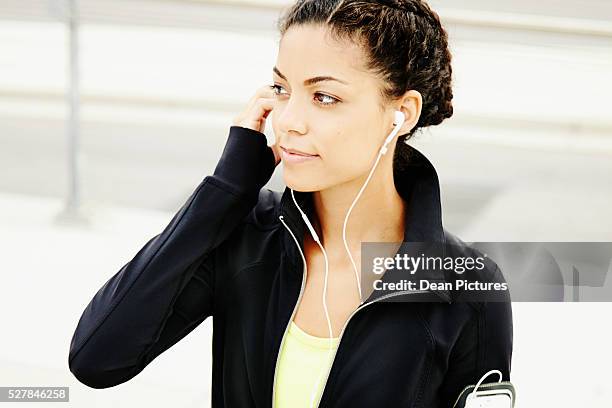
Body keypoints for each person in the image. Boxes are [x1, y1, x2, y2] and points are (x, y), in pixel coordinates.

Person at [68, 1, 513, 407]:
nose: (288, 121)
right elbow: (97, 358)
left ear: (403, 113)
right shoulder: (244, 235)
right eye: (281, 90)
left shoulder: (468, 287)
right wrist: (226, 189)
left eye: (324, 97)